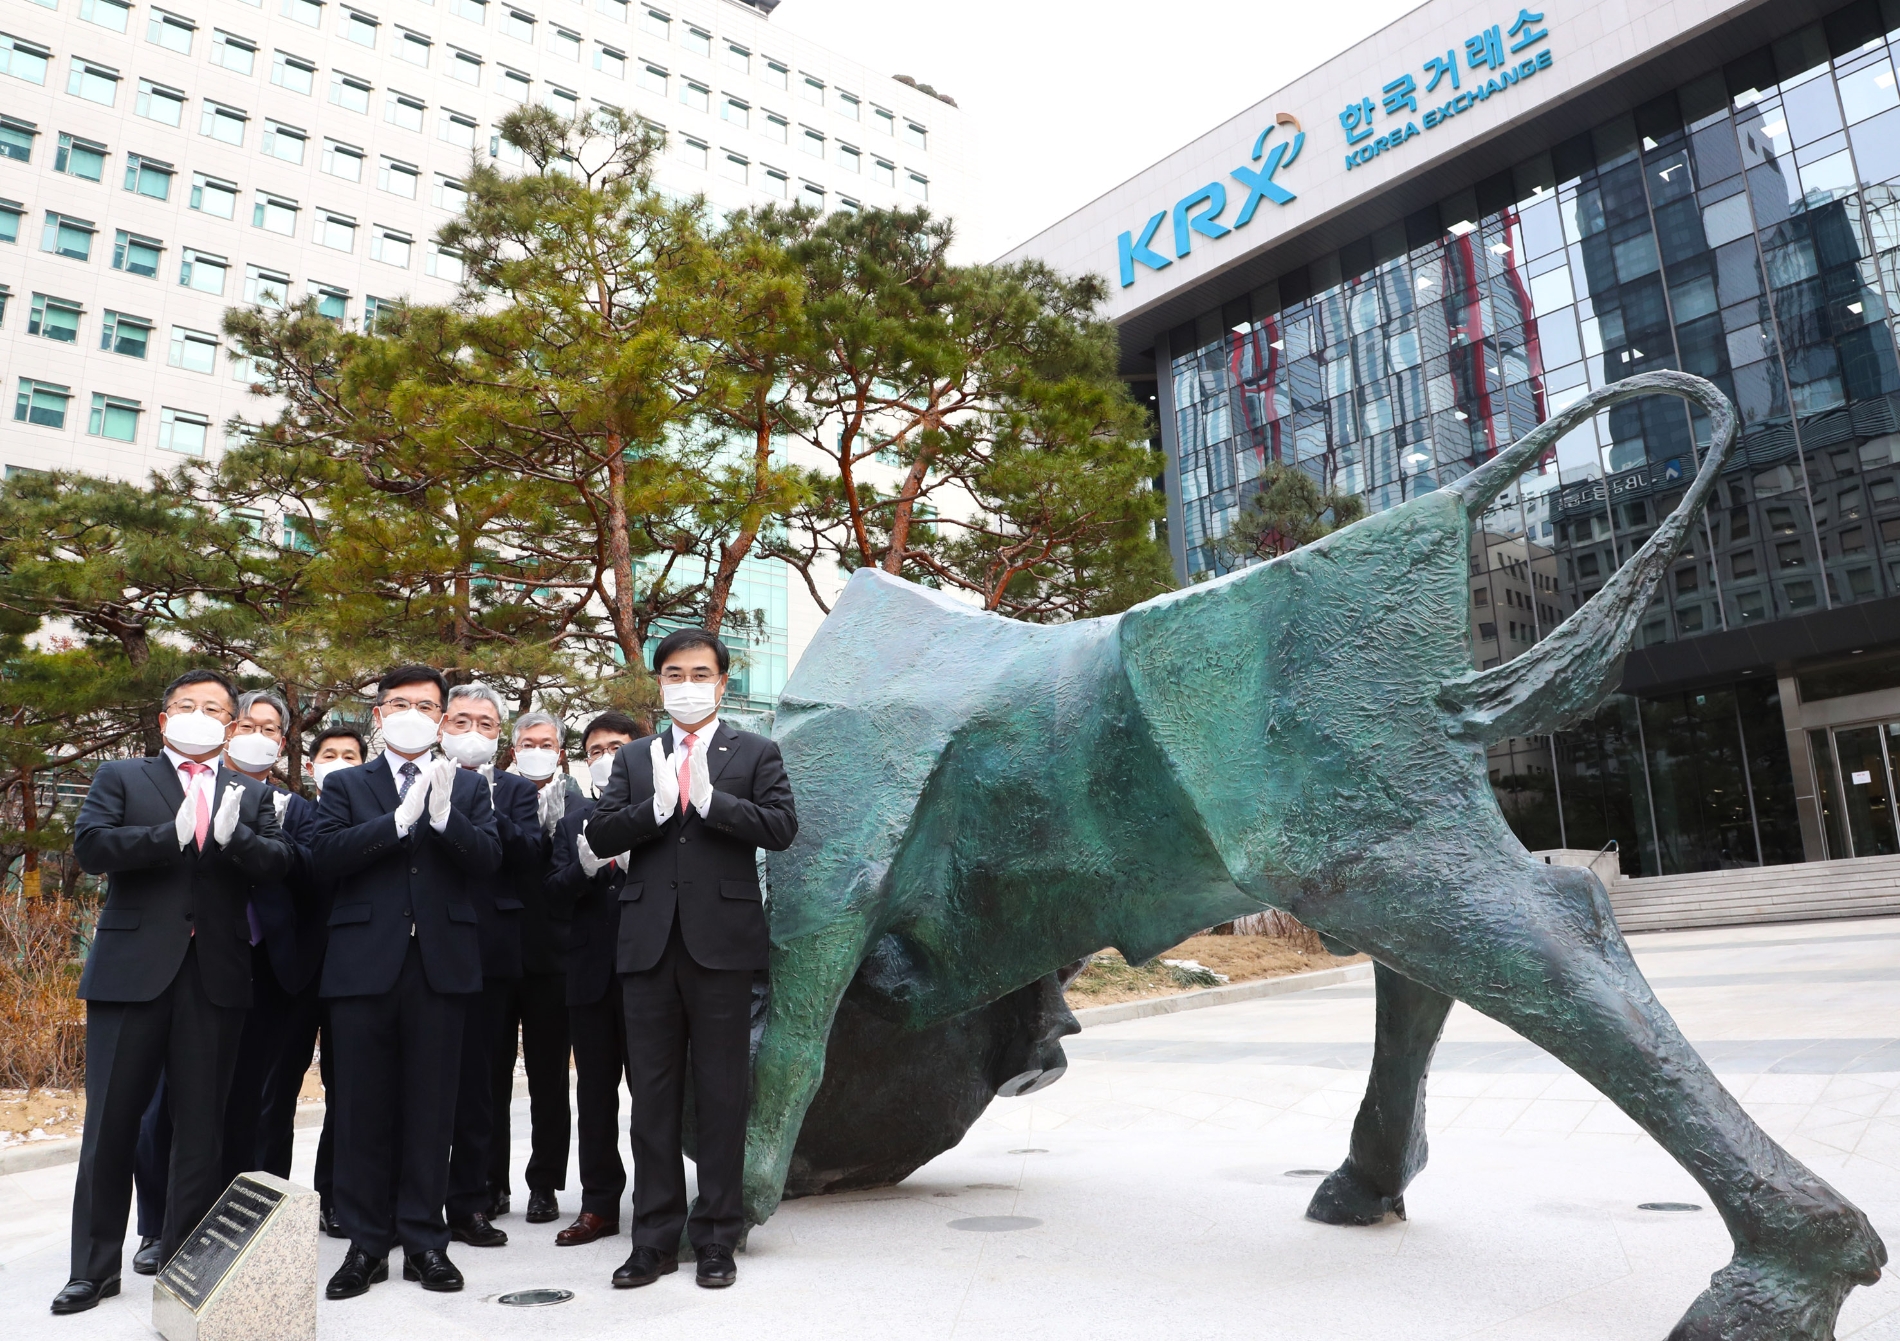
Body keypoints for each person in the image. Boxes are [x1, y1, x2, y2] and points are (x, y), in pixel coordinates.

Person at [55, 670, 293, 1315]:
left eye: (214, 708)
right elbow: (92, 847)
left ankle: (186, 1263)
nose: (199, 715)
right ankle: (94, 1267)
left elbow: (278, 863)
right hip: (132, 972)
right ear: (164, 720)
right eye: (187, 706)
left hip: (214, 974)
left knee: (201, 1126)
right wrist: (172, 835)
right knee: (110, 1124)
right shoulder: (122, 776)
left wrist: (233, 836)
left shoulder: (249, 790)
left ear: (231, 724)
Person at [586, 630, 797, 1291]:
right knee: (649, 1097)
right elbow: (599, 832)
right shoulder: (637, 755)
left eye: (699, 672)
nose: (686, 682)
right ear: (659, 683)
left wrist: (712, 802)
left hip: (722, 946)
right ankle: (651, 1238)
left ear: (722, 682)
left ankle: (716, 1236)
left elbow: (782, 827)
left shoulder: (756, 751)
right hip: (647, 946)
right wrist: (651, 809)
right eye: (674, 672)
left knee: (721, 1094)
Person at [311, 666, 501, 1301]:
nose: (413, 714)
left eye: (426, 705)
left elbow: (491, 860)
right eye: (401, 704)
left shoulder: (468, 787)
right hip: (364, 964)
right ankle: (366, 1243)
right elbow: (325, 856)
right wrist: (395, 823)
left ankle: (424, 1240)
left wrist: (446, 818)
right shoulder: (345, 784)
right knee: (362, 1109)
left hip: (440, 965)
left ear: (444, 717)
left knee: (431, 1108)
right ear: (379, 714)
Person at [437, 683, 544, 1249]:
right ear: (442, 724)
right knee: (423, 1080)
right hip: (424, 944)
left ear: (498, 734)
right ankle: (415, 1194)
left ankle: (473, 1200)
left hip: (490, 950)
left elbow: (527, 855)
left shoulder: (517, 791)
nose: (471, 731)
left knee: (481, 1084)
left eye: (484, 723)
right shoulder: (414, 778)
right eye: (461, 720)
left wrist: (481, 806)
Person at [263, 725, 366, 1239]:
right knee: (276, 1089)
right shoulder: (293, 811)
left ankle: (338, 1196)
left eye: (351, 755)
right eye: (330, 755)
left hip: (359, 968)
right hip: (298, 968)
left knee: (348, 1090)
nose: (340, 762)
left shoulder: (381, 812)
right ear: (311, 764)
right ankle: (266, 1201)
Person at [545, 710, 642, 1247]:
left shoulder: (658, 812)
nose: (606, 757)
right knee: (596, 1097)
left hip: (646, 973)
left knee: (651, 1095)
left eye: (617, 747)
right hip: (588, 977)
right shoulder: (572, 820)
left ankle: (655, 1201)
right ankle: (599, 1204)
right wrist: (584, 869)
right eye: (596, 750)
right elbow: (553, 892)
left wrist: (633, 867)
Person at [482, 710, 574, 1229]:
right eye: (526, 741)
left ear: (560, 750)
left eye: (545, 741)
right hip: (494, 955)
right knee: (490, 1078)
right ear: (512, 748)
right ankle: (492, 1182)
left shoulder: (580, 799)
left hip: (553, 956)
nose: (535, 748)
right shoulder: (492, 794)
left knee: (548, 1079)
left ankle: (544, 1184)